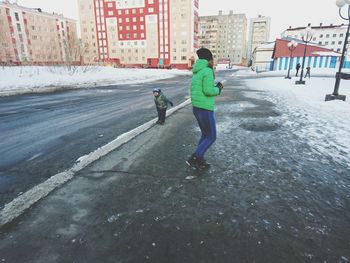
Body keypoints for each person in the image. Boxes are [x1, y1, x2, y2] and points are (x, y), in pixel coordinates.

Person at [186, 47, 224, 170]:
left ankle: (199, 158)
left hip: (197, 108)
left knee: (205, 134)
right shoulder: (207, 70)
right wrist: (218, 89)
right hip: (205, 108)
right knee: (211, 136)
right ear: (209, 59)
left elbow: (201, 88)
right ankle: (195, 157)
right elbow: (208, 91)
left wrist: (214, 86)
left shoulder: (197, 71)